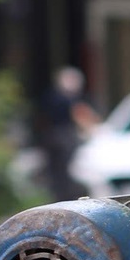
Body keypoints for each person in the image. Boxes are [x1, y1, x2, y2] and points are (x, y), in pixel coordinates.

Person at [37, 66, 96, 200]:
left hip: (53, 137)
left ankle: (61, 196)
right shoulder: (66, 99)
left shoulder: (51, 96)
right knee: (68, 171)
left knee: (59, 174)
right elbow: (80, 115)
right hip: (64, 137)